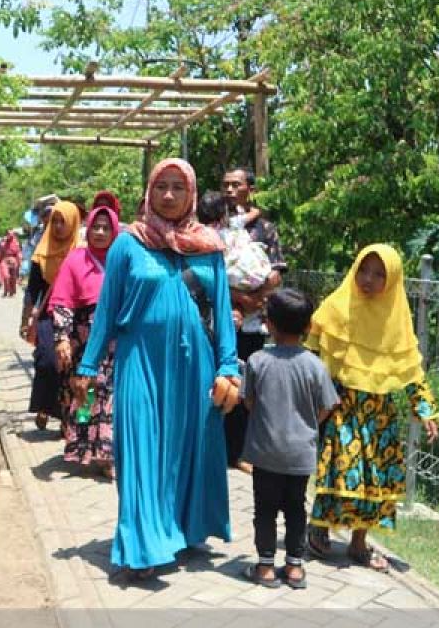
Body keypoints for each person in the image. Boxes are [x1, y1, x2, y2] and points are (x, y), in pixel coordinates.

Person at [74, 158, 238, 580]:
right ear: (149, 191)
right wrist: (87, 365)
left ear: (191, 194)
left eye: (177, 187)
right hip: (139, 362)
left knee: (186, 450)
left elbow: (222, 313)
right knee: (141, 449)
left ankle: (181, 530)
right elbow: (107, 311)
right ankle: (142, 546)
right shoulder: (129, 244)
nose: (168, 195)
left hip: (194, 366)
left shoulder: (208, 246)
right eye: (161, 186)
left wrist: (228, 366)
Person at [305, 245, 439, 572]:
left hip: (379, 416)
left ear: (392, 280)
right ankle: (319, 527)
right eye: (364, 270)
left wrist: (425, 410)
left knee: (375, 479)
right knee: (339, 469)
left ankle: (358, 543)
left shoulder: (396, 320)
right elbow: (309, 355)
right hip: (341, 406)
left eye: (380, 274)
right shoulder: (336, 308)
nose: (369, 279)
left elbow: (410, 369)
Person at [240, 289, 339, 590]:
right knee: (296, 508)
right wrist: (309, 424)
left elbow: (248, 402)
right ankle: (295, 567)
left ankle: (266, 567)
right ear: (308, 327)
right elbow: (328, 405)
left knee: (265, 508)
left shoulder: (257, 360)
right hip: (301, 454)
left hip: (266, 452)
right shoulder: (315, 366)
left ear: (268, 324)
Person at [221, 167, 286, 471]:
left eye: (236, 184)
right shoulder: (213, 225)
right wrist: (234, 297)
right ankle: (218, 449)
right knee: (219, 381)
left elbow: (276, 273)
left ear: (250, 189)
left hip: (253, 320)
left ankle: (244, 452)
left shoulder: (265, 229)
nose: (230, 190)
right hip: (221, 317)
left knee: (249, 385)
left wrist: (251, 300)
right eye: (226, 185)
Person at [49, 205, 120, 477]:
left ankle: (106, 454)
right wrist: (62, 339)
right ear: (87, 229)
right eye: (95, 227)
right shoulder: (76, 260)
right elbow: (62, 302)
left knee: (109, 394)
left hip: (115, 341)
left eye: (106, 227)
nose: (100, 232)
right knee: (86, 395)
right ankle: (82, 445)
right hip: (84, 342)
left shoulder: (120, 260)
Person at [21, 201, 81, 432]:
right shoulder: (42, 252)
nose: (57, 226)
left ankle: (67, 418)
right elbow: (32, 289)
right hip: (49, 313)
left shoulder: (82, 252)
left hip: (76, 314)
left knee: (71, 368)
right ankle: (45, 406)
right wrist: (25, 319)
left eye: (62, 221)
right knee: (47, 361)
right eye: (54, 221)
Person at [197, 191, 273, 332]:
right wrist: (251, 207)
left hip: (227, 276)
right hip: (252, 274)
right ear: (224, 212)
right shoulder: (233, 223)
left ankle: (238, 316)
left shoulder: (200, 233)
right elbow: (254, 213)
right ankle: (259, 319)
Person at [0, 230, 22, 298]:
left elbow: (18, 253)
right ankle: (5, 291)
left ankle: (12, 292)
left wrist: (19, 262)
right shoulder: (3, 243)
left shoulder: (16, 243)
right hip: (4, 260)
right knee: (6, 276)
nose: (8, 235)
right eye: (7, 234)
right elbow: (0, 253)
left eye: (10, 234)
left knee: (13, 278)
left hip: (13, 260)